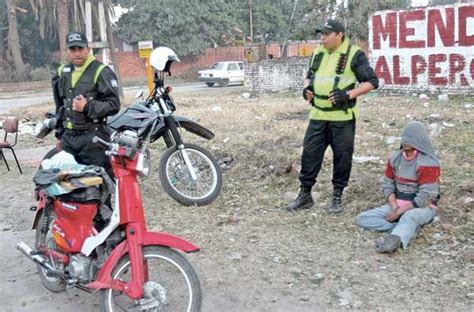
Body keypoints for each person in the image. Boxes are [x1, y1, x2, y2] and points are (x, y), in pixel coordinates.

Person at [284, 20, 379, 213]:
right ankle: (305, 195)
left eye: (327, 34)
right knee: (309, 155)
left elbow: (372, 82)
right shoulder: (318, 53)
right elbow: (310, 75)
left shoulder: (354, 54)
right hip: (318, 115)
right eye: (321, 34)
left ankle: (337, 196)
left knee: (342, 158)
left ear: (339, 35)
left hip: (342, 118)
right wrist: (307, 89)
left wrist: (347, 95)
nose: (322, 38)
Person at [356, 121, 441, 253]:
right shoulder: (395, 158)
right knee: (364, 218)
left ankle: (396, 240)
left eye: (411, 139)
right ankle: (402, 229)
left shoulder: (428, 162)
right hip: (398, 203)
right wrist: (395, 208)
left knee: (409, 217)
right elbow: (388, 184)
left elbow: (426, 196)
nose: (406, 142)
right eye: (405, 138)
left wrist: (400, 212)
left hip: (421, 207)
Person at [52, 31, 120, 175]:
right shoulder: (61, 72)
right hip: (68, 139)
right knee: (71, 188)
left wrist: (87, 107)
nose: (77, 53)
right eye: (72, 49)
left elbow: (114, 104)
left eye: (80, 49)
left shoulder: (101, 71)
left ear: (88, 49)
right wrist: (59, 136)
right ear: (67, 51)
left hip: (93, 139)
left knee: (98, 186)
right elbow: (60, 107)